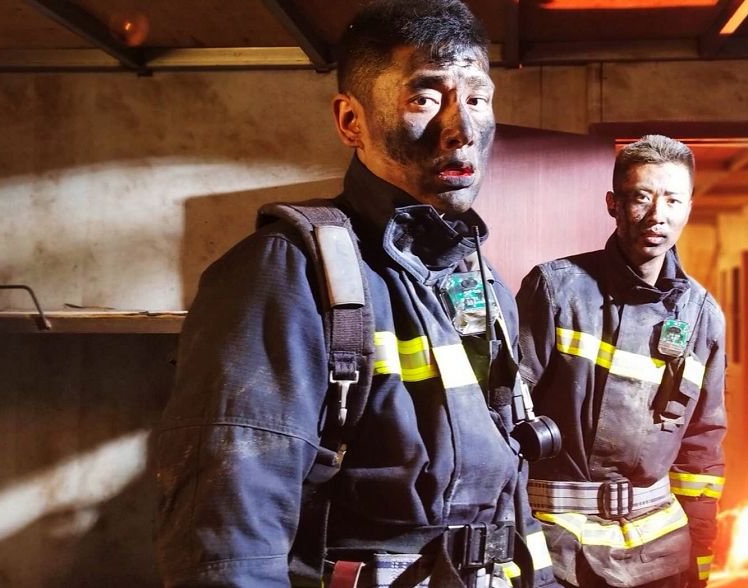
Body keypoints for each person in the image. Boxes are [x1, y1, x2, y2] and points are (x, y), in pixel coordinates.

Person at [154, 1, 556, 586]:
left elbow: (506, 489)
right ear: (351, 121)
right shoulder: (286, 271)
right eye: (424, 99)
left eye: (477, 99)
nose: (462, 130)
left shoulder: (480, 280)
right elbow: (228, 541)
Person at [516, 136, 727, 588]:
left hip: (660, 557)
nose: (657, 215)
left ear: (689, 207)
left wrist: (700, 557)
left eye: (673, 200)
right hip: (556, 550)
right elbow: (503, 422)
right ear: (614, 204)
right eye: (641, 197)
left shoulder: (702, 315)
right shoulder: (555, 290)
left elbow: (702, 446)